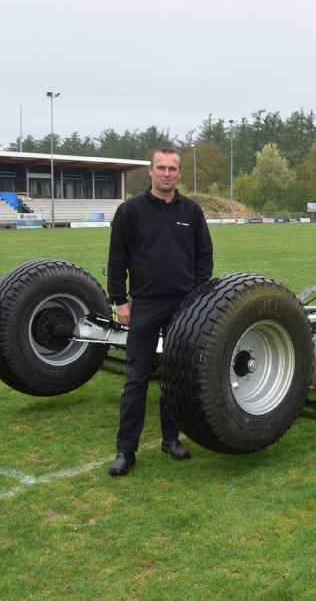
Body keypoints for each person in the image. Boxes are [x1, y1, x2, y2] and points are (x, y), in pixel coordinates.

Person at [106, 146, 214, 476]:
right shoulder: (131, 211)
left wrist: (194, 298)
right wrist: (120, 300)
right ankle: (126, 450)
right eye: (161, 168)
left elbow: (204, 258)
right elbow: (117, 260)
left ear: (179, 174)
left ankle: (171, 439)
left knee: (175, 377)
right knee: (136, 379)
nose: (167, 173)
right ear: (150, 172)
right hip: (145, 305)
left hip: (183, 309)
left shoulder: (192, 211)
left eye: (173, 168)